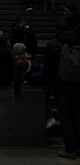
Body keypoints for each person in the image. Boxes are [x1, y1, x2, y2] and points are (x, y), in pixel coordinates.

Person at [44, 25, 80, 159]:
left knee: (65, 117)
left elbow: (47, 67)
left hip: (60, 84)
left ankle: (70, 149)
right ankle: (78, 147)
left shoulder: (54, 45)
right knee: (76, 115)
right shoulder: (77, 42)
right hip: (77, 84)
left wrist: (46, 82)